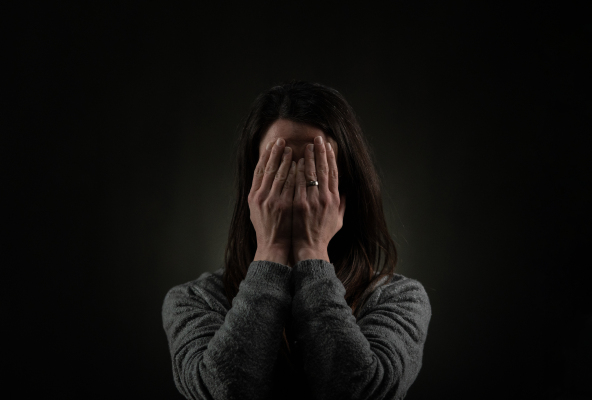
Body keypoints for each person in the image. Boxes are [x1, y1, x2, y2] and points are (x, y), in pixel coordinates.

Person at [162, 81, 432, 400]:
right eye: (278, 169)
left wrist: (312, 253)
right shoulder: (194, 301)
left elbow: (359, 393)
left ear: (346, 185)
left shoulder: (399, 299)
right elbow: (225, 391)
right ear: (252, 189)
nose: (298, 192)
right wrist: (272, 251)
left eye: (317, 172)